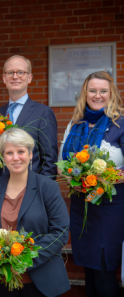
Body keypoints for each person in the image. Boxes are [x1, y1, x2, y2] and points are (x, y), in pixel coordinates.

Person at [0, 128, 70, 297]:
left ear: (30, 154)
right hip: (1, 280)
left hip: (41, 281)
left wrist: (24, 260)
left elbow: (60, 231)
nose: (15, 158)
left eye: (21, 151)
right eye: (9, 153)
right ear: (2, 157)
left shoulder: (47, 187)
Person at [58, 71, 124, 297]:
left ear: (111, 93)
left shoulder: (121, 123)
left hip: (110, 209)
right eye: (92, 90)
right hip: (81, 205)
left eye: (103, 91)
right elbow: (62, 164)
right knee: (89, 272)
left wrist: (102, 179)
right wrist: (72, 179)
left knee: (104, 273)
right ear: (85, 93)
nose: (97, 95)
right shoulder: (75, 124)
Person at [0, 55, 58, 179]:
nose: (15, 76)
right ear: (4, 78)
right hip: (0, 187)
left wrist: (43, 191)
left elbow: (49, 159)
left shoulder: (43, 113)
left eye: (20, 72)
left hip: (31, 188)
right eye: (10, 73)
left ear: (29, 77)